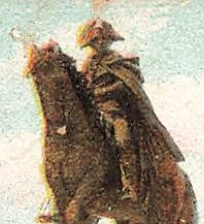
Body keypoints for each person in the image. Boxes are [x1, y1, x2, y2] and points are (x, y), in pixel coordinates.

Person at [76, 18, 183, 211]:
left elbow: (126, 86)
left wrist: (102, 92)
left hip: (116, 113)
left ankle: (131, 189)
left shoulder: (119, 63)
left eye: (102, 40)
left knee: (123, 140)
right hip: (93, 115)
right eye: (94, 41)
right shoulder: (86, 66)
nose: (98, 44)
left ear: (109, 40)